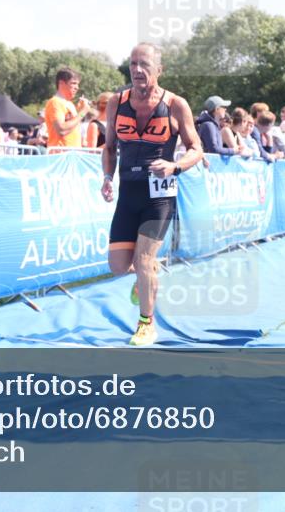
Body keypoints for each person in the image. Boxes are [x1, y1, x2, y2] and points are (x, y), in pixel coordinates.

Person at [101, 43, 204, 346]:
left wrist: (174, 166)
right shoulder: (116, 102)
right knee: (120, 265)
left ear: (159, 70)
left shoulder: (175, 104)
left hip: (159, 196)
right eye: (132, 63)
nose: (137, 70)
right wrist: (107, 176)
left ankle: (146, 324)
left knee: (144, 259)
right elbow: (108, 147)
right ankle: (147, 276)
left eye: (144, 64)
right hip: (128, 193)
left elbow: (197, 148)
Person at [44, 66, 91, 149]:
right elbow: (62, 130)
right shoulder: (55, 102)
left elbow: (71, 127)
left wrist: (79, 110)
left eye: (78, 84)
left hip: (72, 155)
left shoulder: (69, 104)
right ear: (61, 83)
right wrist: (83, 112)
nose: (77, 87)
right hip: (60, 156)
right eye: (73, 83)